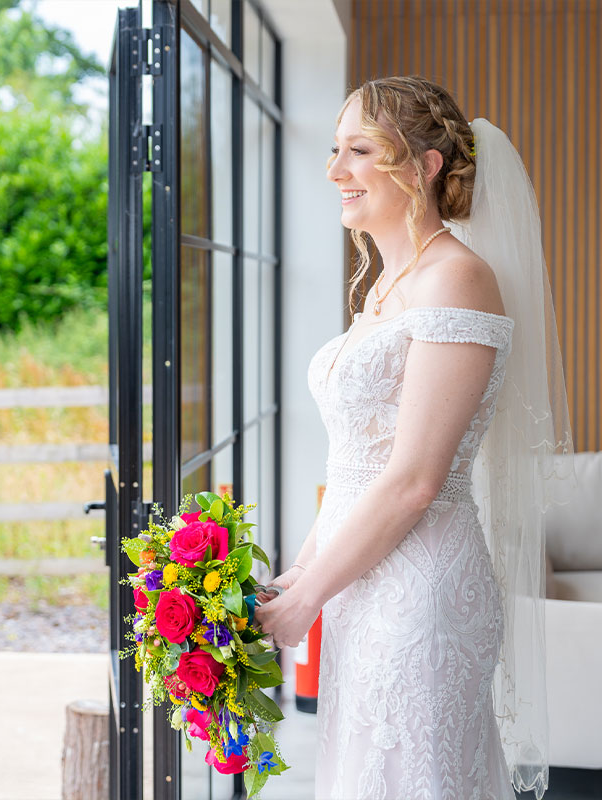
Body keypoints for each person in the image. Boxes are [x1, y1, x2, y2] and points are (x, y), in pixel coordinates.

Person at [252, 76, 570, 800]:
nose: (335, 170)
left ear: (424, 166)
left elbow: (415, 479)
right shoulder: (384, 284)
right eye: (335, 150)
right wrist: (301, 576)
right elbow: (355, 463)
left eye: (359, 150)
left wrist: (306, 601)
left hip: (420, 591)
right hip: (361, 582)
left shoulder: (458, 278)